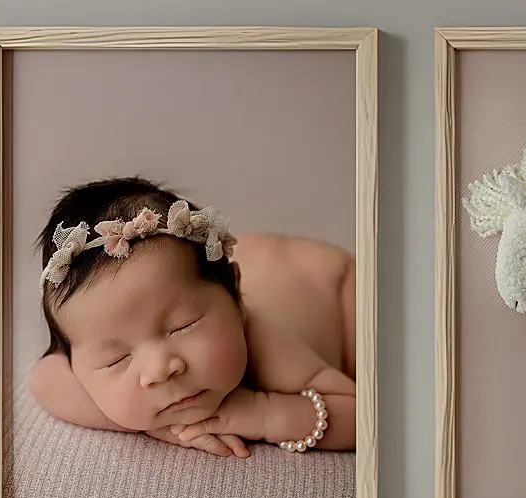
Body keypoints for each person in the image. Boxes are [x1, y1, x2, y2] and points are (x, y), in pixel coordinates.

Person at [27, 177, 355, 457]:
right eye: (116, 359)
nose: (160, 370)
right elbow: (44, 380)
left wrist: (264, 412)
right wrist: (165, 427)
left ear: (237, 299)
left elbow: (358, 415)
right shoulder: (91, 334)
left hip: (327, 281)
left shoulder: (263, 340)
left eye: (183, 326)